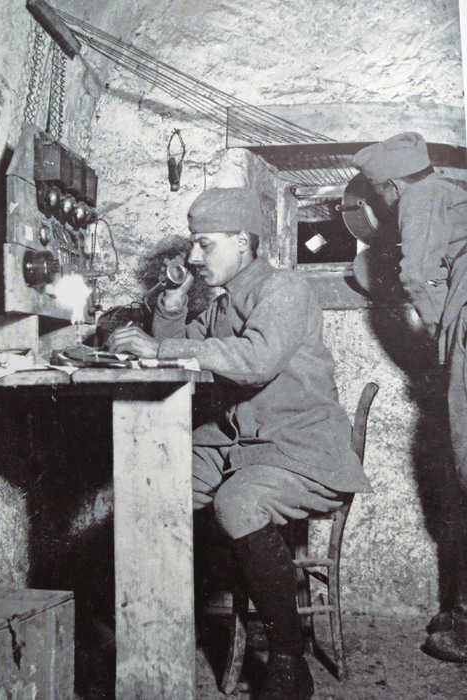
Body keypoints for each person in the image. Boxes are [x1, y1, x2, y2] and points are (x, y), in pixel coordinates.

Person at [109, 187, 372, 700]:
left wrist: (163, 344)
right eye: (192, 244)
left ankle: (290, 663)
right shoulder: (226, 304)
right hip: (243, 447)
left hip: (302, 449)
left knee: (237, 502)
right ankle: (156, 639)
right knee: (156, 487)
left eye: (204, 245)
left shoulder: (285, 291)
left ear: (243, 243)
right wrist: (174, 301)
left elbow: (253, 361)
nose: (192, 256)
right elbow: (187, 341)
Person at [352, 132, 467, 662]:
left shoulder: (419, 199)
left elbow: (418, 276)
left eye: (382, 198)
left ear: (392, 187)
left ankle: (465, 626)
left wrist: (447, 344)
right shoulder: (451, 189)